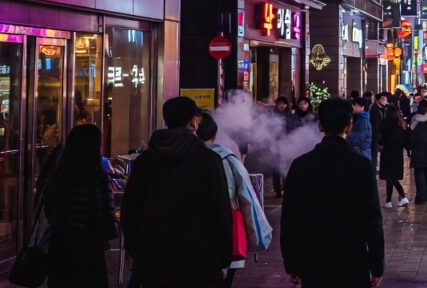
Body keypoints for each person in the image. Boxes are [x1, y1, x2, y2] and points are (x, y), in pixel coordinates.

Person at [122, 97, 232, 287]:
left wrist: (138, 251)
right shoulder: (208, 160)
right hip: (201, 261)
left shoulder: (146, 161)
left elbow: (130, 210)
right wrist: (223, 257)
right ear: (193, 121)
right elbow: (220, 212)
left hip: (154, 260)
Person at [282, 98, 384, 287]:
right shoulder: (361, 166)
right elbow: (372, 218)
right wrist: (377, 265)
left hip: (313, 260)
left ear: (320, 125)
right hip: (353, 258)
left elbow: (290, 219)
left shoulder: (301, 165)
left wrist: (292, 264)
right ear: (349, 127)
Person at [197, 113, 273, 287]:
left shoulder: (169, 160)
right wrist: (259, 237)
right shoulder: (227, 159)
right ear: (214, 134)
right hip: (226, 237)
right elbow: (248, 200)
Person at [43, 124, 117, 287]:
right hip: (88, 249)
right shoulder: (97, 177)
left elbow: (49, 209)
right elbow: (103, 215)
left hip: (59, 246)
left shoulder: (57, 176)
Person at [379, 105, 409, 208]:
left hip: (387, 154)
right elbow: (403, 141)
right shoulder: (399, 126)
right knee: (392, 177)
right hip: (397, 155)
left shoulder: (384, 126)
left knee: (390, 177)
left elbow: (381, 140)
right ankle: (401, 198)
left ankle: (390, 201)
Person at [347, 96, 374, 163]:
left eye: (356, 105)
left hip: (361, 155)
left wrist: (345, 135)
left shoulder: (363, 121)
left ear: (362, 107)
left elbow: (358, 139)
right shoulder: (358, 119)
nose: (353, 107)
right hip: (359, 154)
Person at [370, 93, 388, 172]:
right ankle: (373, 169)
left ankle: (376, 169)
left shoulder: (383, 108)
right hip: (376, 135)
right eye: (383, 99)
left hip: (381, 134)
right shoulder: (374, 109)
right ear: (378, 100)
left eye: (385, 99)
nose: (385, 101)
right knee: (374, 153)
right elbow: (376, 124)